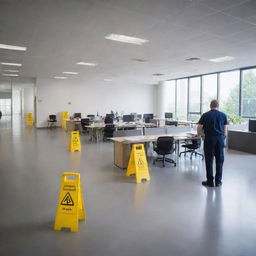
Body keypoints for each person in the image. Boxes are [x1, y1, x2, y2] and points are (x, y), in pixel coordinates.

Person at [197, 99, 228, 187]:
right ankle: (218, 181)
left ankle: (210, 181)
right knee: (219, 160)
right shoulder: (223, 115)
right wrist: (223, 138)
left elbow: (199, 128)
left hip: (209, 139)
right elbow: (225, 130)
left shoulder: (205, 115)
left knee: (209, 160)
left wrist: (202, 136)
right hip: (219, 139)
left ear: (210, 106)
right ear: (218, 106)